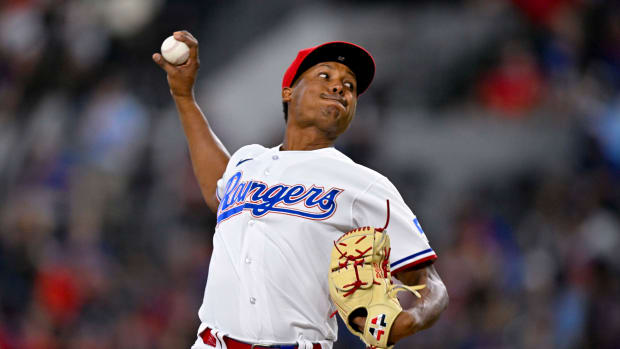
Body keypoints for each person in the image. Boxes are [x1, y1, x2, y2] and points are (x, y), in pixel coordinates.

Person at [152, 31, 448, 349]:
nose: (339, 87)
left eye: (350, 86)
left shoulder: (365, 184)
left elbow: (429, 282)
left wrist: (413, 318)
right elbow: (218, 191)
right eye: (325, 76)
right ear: (289, 92)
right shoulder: (248, 159)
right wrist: (184, 98)